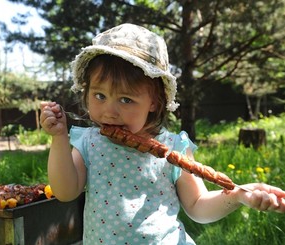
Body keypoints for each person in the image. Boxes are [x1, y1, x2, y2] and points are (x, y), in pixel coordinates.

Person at [40, 23, 285, 244]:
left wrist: (240, 195)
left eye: (126, 99)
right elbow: (65, 191)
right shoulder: (89, 144)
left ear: (154, 103)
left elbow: (198, 207)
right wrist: (59, 139)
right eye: (99, 96)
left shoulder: (174, 147)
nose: (109, 111)